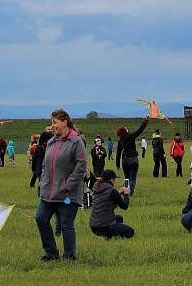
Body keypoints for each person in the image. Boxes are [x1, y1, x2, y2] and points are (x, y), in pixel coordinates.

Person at [36, 109, 87, 261]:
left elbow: (81, 165)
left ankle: (69, 256)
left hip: (68, 193)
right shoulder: (51, 142)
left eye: (55, 122)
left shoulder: (76, 142)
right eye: (52, 122)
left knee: (66, 224)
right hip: (49, 192)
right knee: (41, 218)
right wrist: (43, 183)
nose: (52, 126)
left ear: (64, 122)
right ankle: (51, 253)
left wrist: (68, 185)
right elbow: (46, 166)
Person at [89, 170, 134, 239]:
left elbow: (105, 198)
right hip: (105, 226)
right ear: (111, 180)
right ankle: (112, 237)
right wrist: (126, 194)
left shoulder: (96, 187)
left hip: (94, 226)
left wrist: (118, 193)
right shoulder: (112, 191)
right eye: (115, 179)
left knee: (119, 218)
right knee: (130, 232)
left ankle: (108, 236)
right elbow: (124, 206)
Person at [115, 116, 149, 196]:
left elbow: (118, 153)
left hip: (124, 161)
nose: (127, 129)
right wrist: (145, 121)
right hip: (133, 159)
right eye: (126, 128)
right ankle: (130, 193)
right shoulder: (131, 136)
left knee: (127, 178)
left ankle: (125, 191)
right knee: (133, 178)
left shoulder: (120, 141)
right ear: (124, 131)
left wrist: (117, 164)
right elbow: (140, 130)